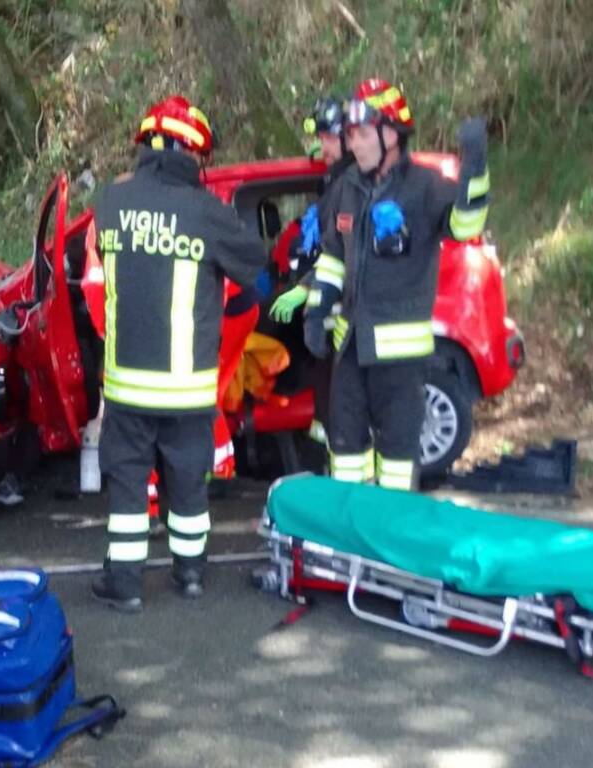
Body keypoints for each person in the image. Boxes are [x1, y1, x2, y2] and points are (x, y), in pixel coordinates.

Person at [87, 95, 267, 611]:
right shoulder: (207, 212)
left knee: (126, 484)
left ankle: (124, 585)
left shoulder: (111, 202)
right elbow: (254, 267)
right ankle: (189, 574)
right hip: (188, 390)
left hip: (126, 387)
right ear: (191, 154)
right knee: (188, 484)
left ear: (146, 144)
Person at [306, 78, 490, 491]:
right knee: (345, 450)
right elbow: (334, 257)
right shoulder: (347, 189)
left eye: (363, 134)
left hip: (400, 361)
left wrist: (474, 169)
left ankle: (389, 543)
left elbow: (466, 226)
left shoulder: (425, 187)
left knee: (396, 459)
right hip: (350, 349)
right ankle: (347, 539)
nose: (354, 145)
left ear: (392, 135)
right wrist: (318, 311)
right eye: (350, 136)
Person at [267, 96, 354, 446]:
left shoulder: (353, 186)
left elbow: (344, 252)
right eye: (321, 138)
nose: (323, 145)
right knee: (330, 404)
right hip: (329, 315)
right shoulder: (337, 182)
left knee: (341, 410)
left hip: (344, 318)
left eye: (330, 137)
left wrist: (304, 288)